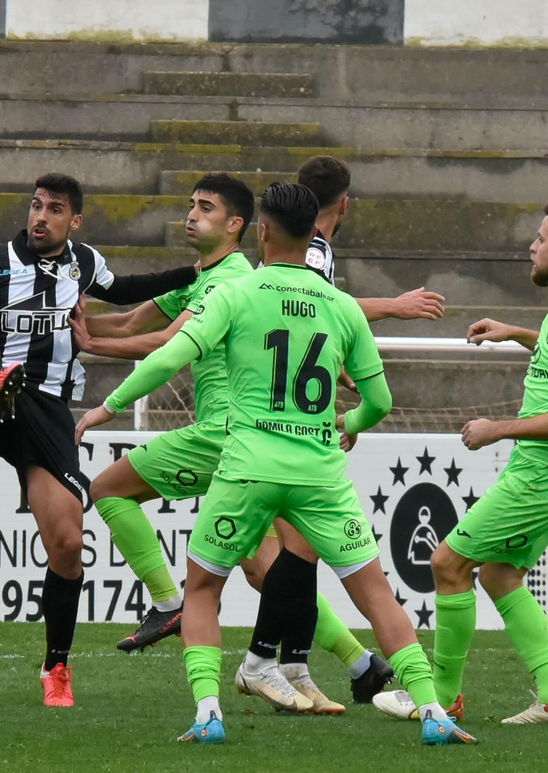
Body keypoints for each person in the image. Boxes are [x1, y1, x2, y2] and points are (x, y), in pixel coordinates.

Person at [77, 183, 477, 747]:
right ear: (315, 234)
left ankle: (209, 712)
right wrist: (349, 424)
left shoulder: (237, 291)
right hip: (318, 473)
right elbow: (380, 401)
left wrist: (107, 407)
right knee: (375, 593)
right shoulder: (339, 306)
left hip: (247, 468)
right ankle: (432, 711)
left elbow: (169, 352)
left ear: (259, 231)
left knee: (199, 593)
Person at [72, 174, 375, 714]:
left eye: (205, 208)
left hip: (227, 435)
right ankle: (358, 663)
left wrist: (102, 378)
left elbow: (168, 344)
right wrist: (83, 330)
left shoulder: (232, 281)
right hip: (256, 441)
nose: (190, 215)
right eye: (190, 205)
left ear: (241, 227)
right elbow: (136, 319)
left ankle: (169, 604)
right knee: (267, 567)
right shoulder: (203, 276)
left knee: (108, 490)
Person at [0, 173, 199, 707]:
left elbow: (126, 288)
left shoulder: (83, 261)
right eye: (36, 206)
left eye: (54, 210)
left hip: (44, 409)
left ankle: (56, 666)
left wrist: (193, 273)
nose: (41, 217)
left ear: (74, 221)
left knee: (67, 544)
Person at [393, 201, 548, 727]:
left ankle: (441, 697)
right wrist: (515, 332)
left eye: (540, 238)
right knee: (499, 575)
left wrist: (497, 429)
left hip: (544, 471)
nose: (532, 246)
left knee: (447, 564)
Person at [238, 155, 447, 707]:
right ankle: (264, 660)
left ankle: (296, 663)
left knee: (295, 552)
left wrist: (337, 370)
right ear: (344, 204)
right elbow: (320, 305)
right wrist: (395, 307)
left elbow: (309, 325)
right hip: (283, 426)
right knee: (288, 553)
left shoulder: (308, 251)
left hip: (286, 418)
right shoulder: (313, 252)